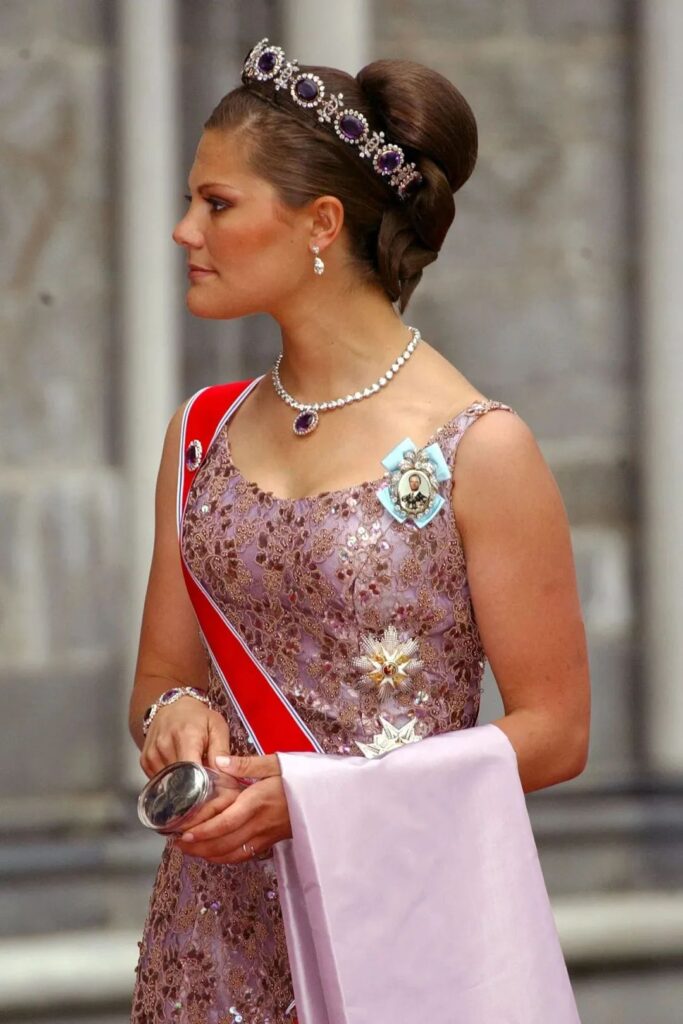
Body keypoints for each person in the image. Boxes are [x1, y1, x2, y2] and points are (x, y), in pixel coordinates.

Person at [129, 37, 590, 1024]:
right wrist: (173, 719)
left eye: (216, 203)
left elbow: (554, 735)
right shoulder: (200, 432)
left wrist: (320, 799)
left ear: (320, 223)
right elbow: (158, 678)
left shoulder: (482, 447)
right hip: (209, 938)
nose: (182, 231)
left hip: (399, 931)